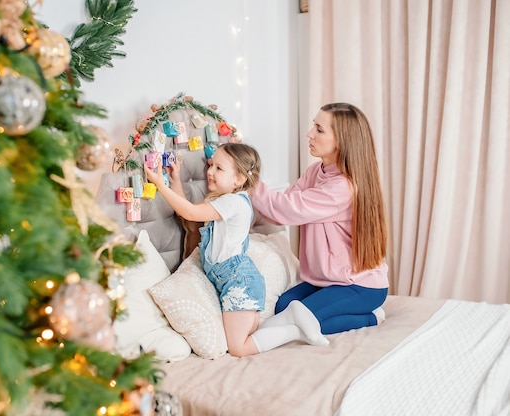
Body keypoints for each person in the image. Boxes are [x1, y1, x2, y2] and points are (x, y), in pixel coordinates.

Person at [249, 102, 389, 353]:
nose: (309, 134)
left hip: (359, 287)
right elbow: (283, 211)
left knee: (295, 318)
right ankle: (312, 322)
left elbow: (285, 209)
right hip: (326, 281)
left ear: (341, 141)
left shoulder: (343, 188)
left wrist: (248, 179)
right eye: (313, 126)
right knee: (284, 307)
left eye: (319, 129)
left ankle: (372, 316)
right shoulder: (316, 171)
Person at [144, 142, 265, 357]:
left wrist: (159, 184)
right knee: (244, 340)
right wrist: (174, 180)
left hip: (239, 283)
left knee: (238, 349)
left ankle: (292, 329)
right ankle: (292, 322)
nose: (210, 171)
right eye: (211, 165)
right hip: (231, 282)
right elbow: (189, 212)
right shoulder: (226, 200)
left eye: (219, 168)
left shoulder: (233, 203)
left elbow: (190, 212)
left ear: (239, 179)